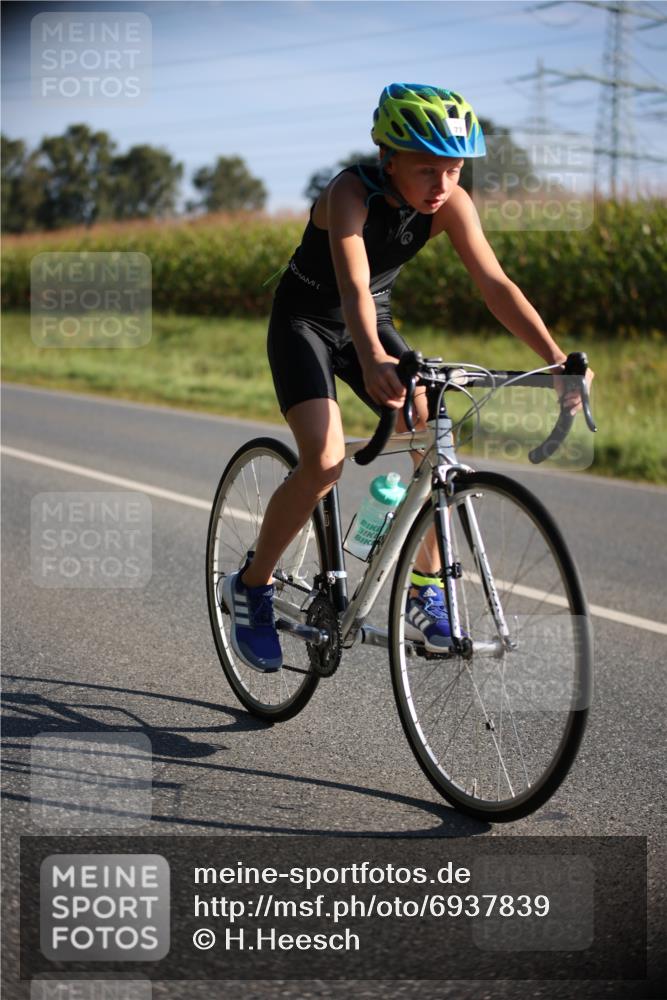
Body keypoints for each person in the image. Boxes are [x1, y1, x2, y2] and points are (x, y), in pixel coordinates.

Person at [222, 82, 594, 672]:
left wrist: (556, 359)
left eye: (453, 170)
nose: (442, 185)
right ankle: (252, 584)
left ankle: (425, 586)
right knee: (322, 460)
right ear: (388, 156)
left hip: (374, 317)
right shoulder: (349, 192)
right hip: (308, 323)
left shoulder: (450, 205)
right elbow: (350, 286)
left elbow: (495, 285)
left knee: (429, 426)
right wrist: (370, 356)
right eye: (426, 169)